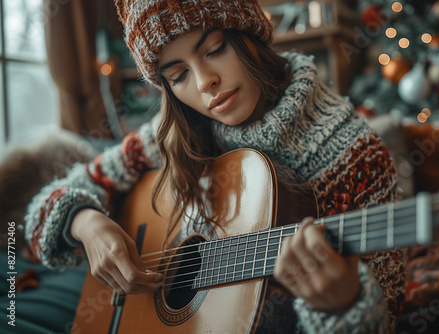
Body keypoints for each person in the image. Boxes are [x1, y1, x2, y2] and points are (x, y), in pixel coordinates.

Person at [24, 0, 406, 332]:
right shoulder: (173, 136)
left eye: (215, 49)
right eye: (178, 75)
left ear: (248, 35)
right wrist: (86, 222)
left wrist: (343, 306)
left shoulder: (354, 155)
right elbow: (40, 217)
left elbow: (385, 318)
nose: (206, 82)